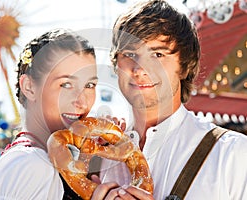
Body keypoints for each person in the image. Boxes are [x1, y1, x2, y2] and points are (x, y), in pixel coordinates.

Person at [96, 0, 247, 199]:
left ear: (185, 66)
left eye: (158, 54)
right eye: (130, 54)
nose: (140, 69)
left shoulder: (233, 154)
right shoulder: (96, 156)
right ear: (116, 65)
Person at [0, 28, 99, 199]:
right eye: (66, 84)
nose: (82, 101)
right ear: (29, 87)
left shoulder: (32, 160)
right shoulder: (34, 165)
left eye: (89, 85)